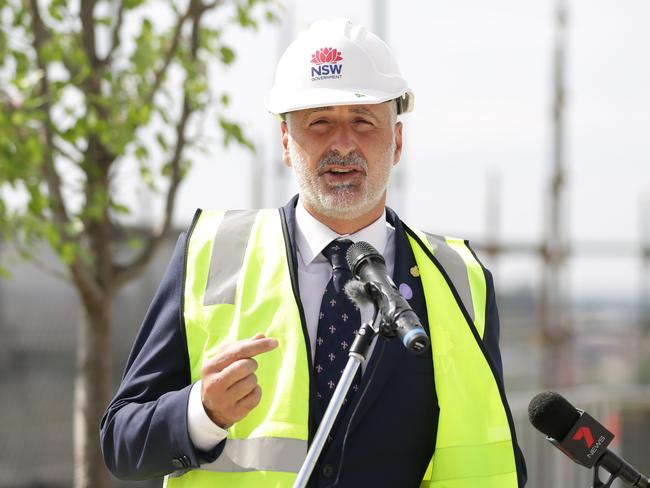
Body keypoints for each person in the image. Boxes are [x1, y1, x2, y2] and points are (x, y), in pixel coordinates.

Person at [101, 18, 527, 487]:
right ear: (286, 142)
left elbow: (494, 461)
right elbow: (122, 443)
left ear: (398, 141)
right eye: (319, 122)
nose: (342, 143)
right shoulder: (211, 252)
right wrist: (201, 413)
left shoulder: (459, 279)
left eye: (363, 121)